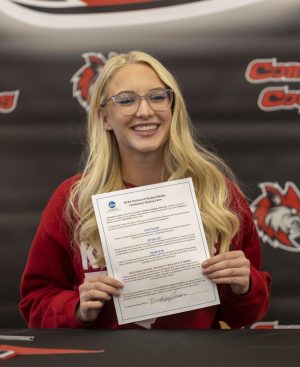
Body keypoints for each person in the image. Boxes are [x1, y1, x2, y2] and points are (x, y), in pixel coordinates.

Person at [20, 50, 271, 329]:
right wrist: (77, 309)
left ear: (173, 108)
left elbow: (245, 315)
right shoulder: (74, 200)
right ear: (104, 118)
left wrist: (244, 286)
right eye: (126, 100)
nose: (145, 111)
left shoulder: (217, 195)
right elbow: (35, 302)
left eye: (157, 97)